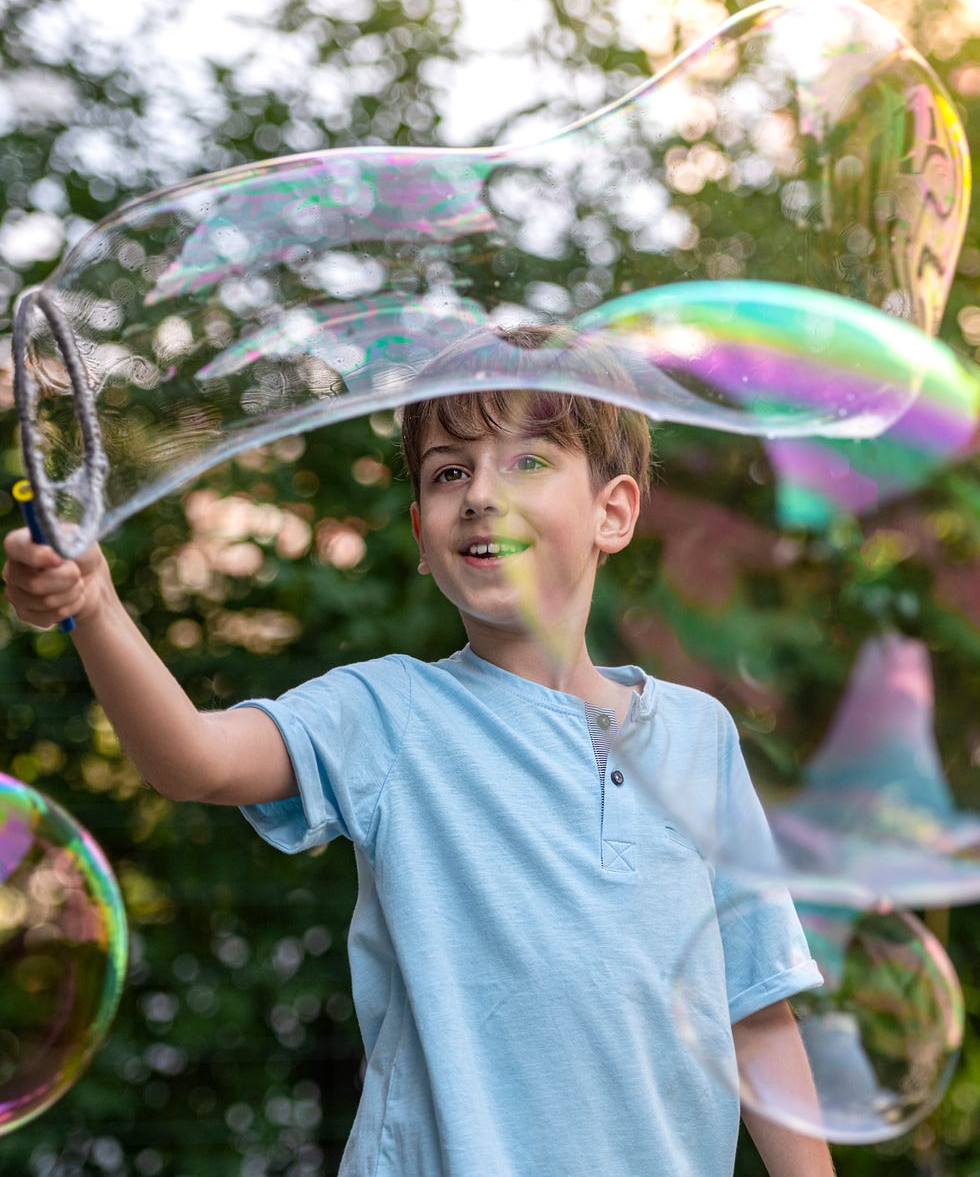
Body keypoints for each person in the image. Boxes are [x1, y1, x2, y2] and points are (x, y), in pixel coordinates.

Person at [3, 325, 836, 1177]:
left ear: (612, 512)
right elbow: (194, 759)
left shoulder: (700, 734)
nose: (479, 493)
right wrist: (95, 606)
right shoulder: (389, 711)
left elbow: (757, 1004)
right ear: (420, 531)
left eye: (527, 461)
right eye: (449, 470)